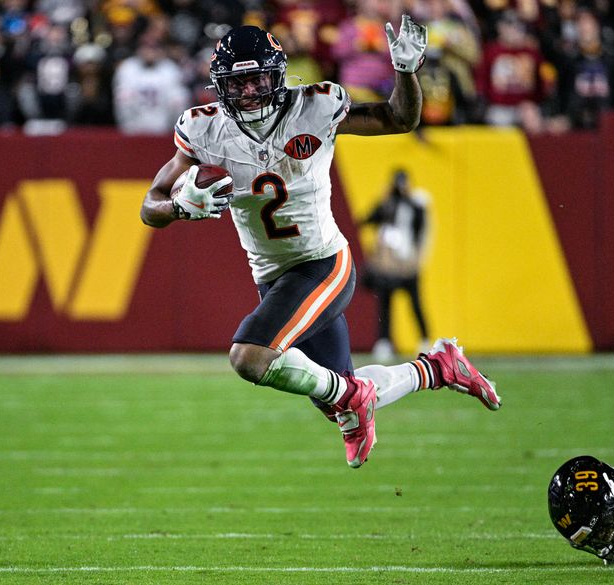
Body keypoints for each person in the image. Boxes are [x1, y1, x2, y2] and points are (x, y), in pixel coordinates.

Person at [140, 18, 502, 469]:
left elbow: (398, 119)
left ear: (277, 74)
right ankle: (439, 367)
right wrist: (177, 208)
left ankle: (354, 397)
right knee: (332, 388)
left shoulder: (315, 106)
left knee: (250, 358)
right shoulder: (203, 130)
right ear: (221, 87)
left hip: (322, 264)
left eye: (258, 79)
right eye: (239, 83)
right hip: (272, 276)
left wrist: (406, 72)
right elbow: (150, 205)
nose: (250, 92)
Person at [361, 169, 431, 361]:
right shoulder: (387, 205)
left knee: (416, 303)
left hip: (407, 263)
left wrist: (418, 260)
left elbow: (422, 234)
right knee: (385, 304)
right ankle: (384, 342)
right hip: (389, 265)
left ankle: (424, 341)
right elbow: (366, 219)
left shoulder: (416, 206)